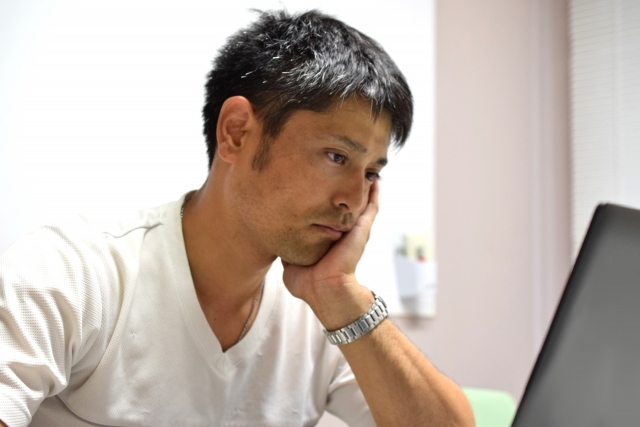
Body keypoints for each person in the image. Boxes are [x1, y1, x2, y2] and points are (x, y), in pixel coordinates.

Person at [0, 9, 474, 427]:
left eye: (371, 172)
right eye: (336, 156)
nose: (354, 199)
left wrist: (341, 297)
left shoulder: (325, 314)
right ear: (236, 132)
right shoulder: (74, 272)